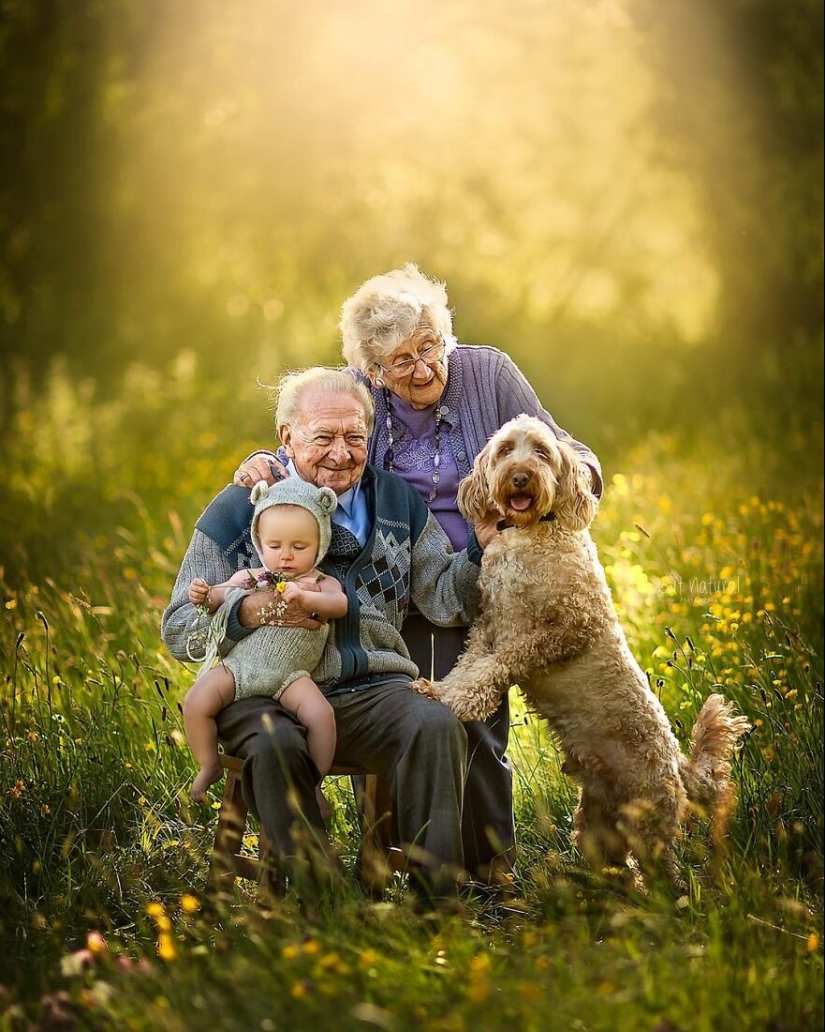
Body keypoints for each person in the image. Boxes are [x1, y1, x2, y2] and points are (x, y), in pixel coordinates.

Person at [234, 263, 602, 887]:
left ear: (445, 336)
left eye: (430, 348)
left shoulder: (489, 374)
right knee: (389, 686)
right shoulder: (359, 389)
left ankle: (489, 864)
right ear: (372, 371)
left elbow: (569, 451)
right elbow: (317, 439)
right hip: (383, 579)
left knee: (469, 704)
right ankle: (401, 857)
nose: (423, 369)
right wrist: (264, 461)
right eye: (400, 362)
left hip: (477, 579)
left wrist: (571, 488)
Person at [162, 367, 490, 901]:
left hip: (369, 688)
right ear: (286, 437)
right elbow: (179, 626)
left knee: (434, 723)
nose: (342, 452)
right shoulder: (239, 507)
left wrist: (479, 548)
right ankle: (323, 905)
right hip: (260, 689)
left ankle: (438, 908)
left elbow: (446, 597)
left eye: (355, 437)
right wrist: (247, 613)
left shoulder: (398, 503)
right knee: (274, 745)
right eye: (324, 437)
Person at [182, 478, 347, 817]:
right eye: (275, 546)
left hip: (292, 676)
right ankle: (207, 764)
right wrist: (206, 595)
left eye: (299, 547)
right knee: (196, 701)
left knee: (321, 716)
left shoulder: (320, 583)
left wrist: (305, 597)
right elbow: (221, 596)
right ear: (259, 542)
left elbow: (339, 605)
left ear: (320, 544)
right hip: (240, 668)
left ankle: (312, 784)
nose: (285, 556)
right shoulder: (251, 578)